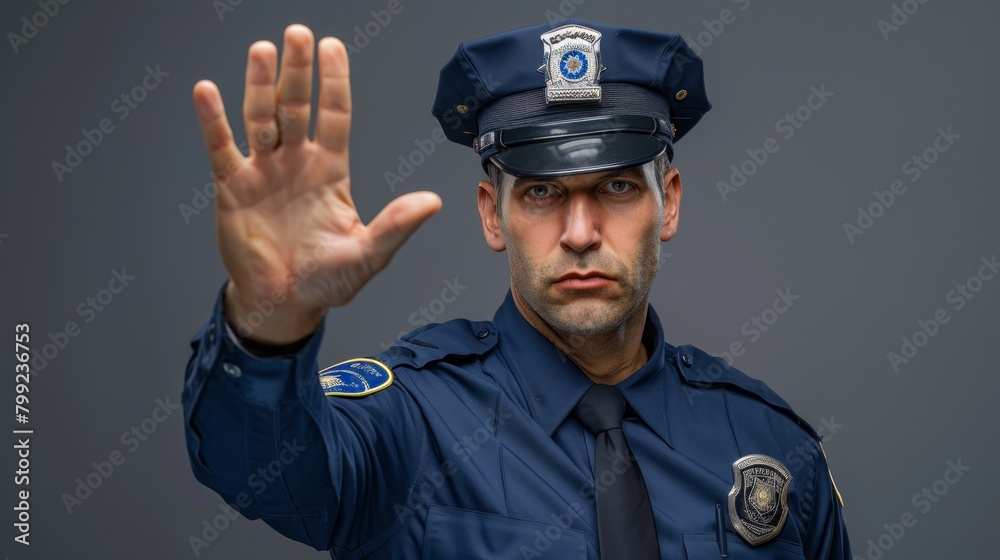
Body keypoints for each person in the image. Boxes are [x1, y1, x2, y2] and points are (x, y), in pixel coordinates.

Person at [183, 19, 850, 559]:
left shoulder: (768, 444)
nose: (581, 232)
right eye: (541, 193)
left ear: (668, 203)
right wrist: (273, 317)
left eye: (617, 187)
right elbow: (262, 470)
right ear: (491, 214)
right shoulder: (412, 422)